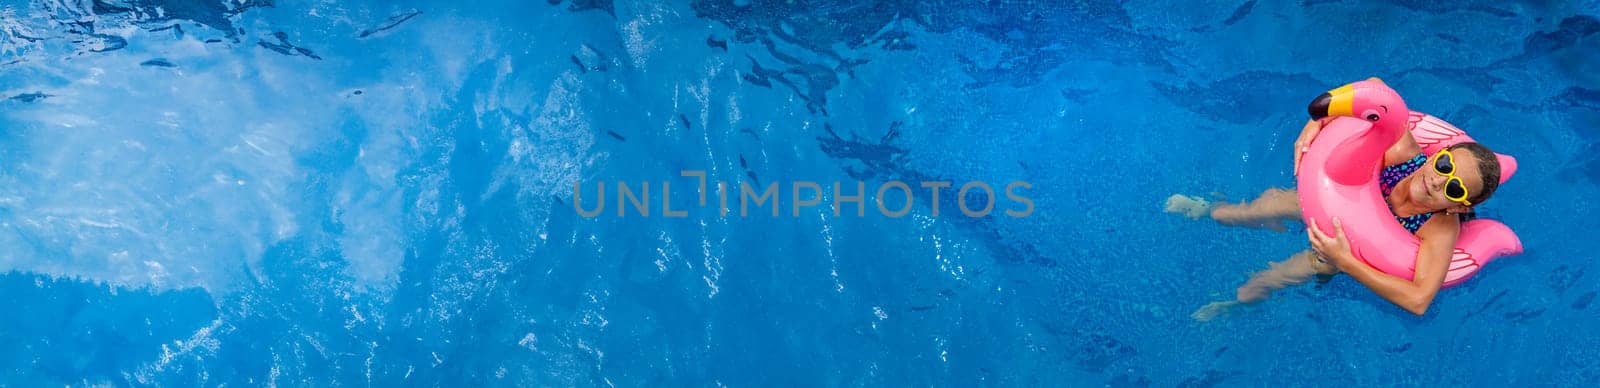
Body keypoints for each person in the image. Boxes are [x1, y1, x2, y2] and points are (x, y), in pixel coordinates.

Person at [1173, 117, 1503, 320]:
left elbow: (1419, 301)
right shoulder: (1405, 156)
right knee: (1244, 211)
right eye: (1444, 166)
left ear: (1460, 206)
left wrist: (1344, 261)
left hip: (1341, 253)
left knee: (1260, 285)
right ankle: (1208, 208)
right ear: (1438, 156)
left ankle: (1230, 306)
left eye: (1455, 188)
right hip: (1331, 204)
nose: (1437, 180)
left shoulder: (1441, 228)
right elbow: (1375, 91)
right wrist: (1315, 122)